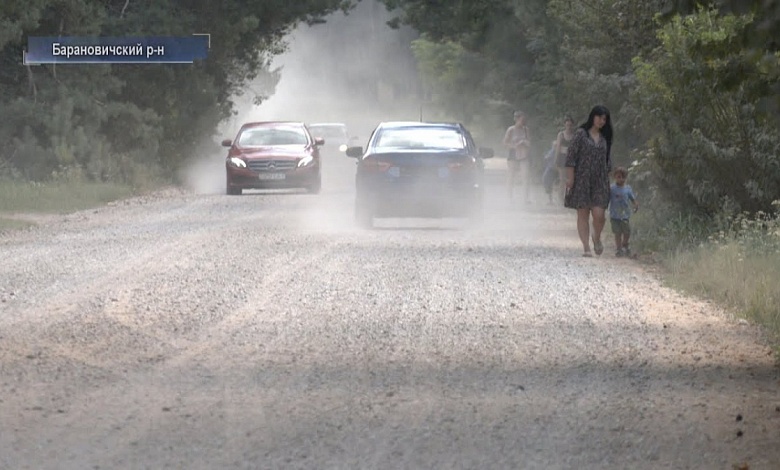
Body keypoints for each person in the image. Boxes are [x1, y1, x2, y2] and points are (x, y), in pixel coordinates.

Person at [564, 105, 613, 257]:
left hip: (600, 181)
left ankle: (596, 237)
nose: (601, 121)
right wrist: (571, 179)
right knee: (583, 214)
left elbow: (607, 159)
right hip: (582, 180)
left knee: (600, 215)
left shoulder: (605, 138)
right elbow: (570, 157)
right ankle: (586, 247)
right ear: (592, 117)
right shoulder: (581, 134)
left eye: (604, 119)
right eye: (599, 117)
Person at [609, 166, 639, 257]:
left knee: (627, 232)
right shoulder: (611, 189)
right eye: (619, 177)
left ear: (626, 178)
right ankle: (619, 249)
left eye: (623, 177)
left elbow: (632, 199)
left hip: (625, 215)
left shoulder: (627, 189)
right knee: (617, 233)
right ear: (615, 177)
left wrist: (635, 205)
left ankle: (625, 244)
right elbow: (606, 198)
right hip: (614, 216)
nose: (621, 179)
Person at [503, 110, 532, 202]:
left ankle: (525, 198)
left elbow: (530, 142)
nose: (523, 121)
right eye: (521, 119)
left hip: (524, 154)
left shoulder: (526, 130)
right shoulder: (511, 130)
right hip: (513, 154)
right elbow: (505, 143)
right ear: (516, 119)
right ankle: (509, 197)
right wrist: (514, 146)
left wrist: (525, 143)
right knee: (511, 176)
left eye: (524, 120)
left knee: (525, 176)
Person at [554, 116, 575, 203]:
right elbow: (558, 147)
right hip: (562, 157)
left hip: (570, 158)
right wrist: (556, 159)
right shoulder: (561, 134)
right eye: (567, 125)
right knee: (562, 179)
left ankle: (569, 196)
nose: (569, 127)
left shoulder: (574, 135)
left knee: (570, 179)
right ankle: (560, 198)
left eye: (570, 125)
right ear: (565, 125)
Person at [541, 140, 558, 204]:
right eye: (554, 146)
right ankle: (550, 199)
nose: (555, 147)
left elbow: (546, 157)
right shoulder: (552, 151)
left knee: (551, 183)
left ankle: (556, 198)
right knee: (546, 181)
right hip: (551, 169)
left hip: (556, 170)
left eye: (556, 146)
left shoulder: (558, 152)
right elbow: (546, 157)